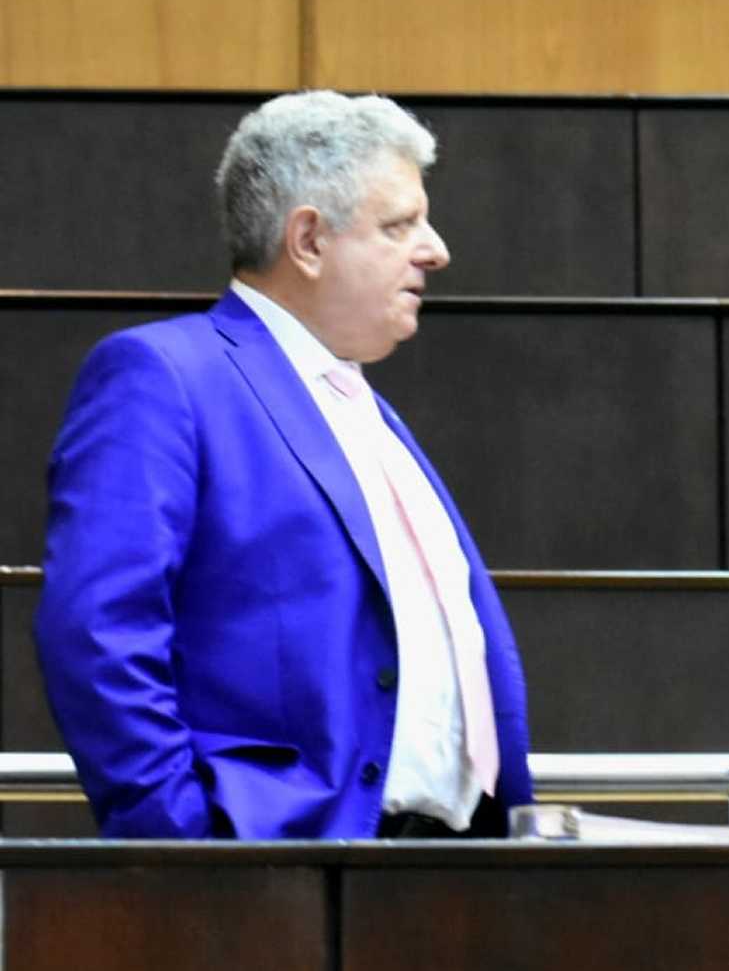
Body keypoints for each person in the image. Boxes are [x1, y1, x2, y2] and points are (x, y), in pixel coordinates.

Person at [36, 91, 532, 838]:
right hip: (272, 876)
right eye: (399, 224)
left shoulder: (365, 406)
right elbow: (101, 630)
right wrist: (183, 848)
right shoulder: (166, 375)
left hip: (451, 873)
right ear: (308, 240)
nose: (436, 249)